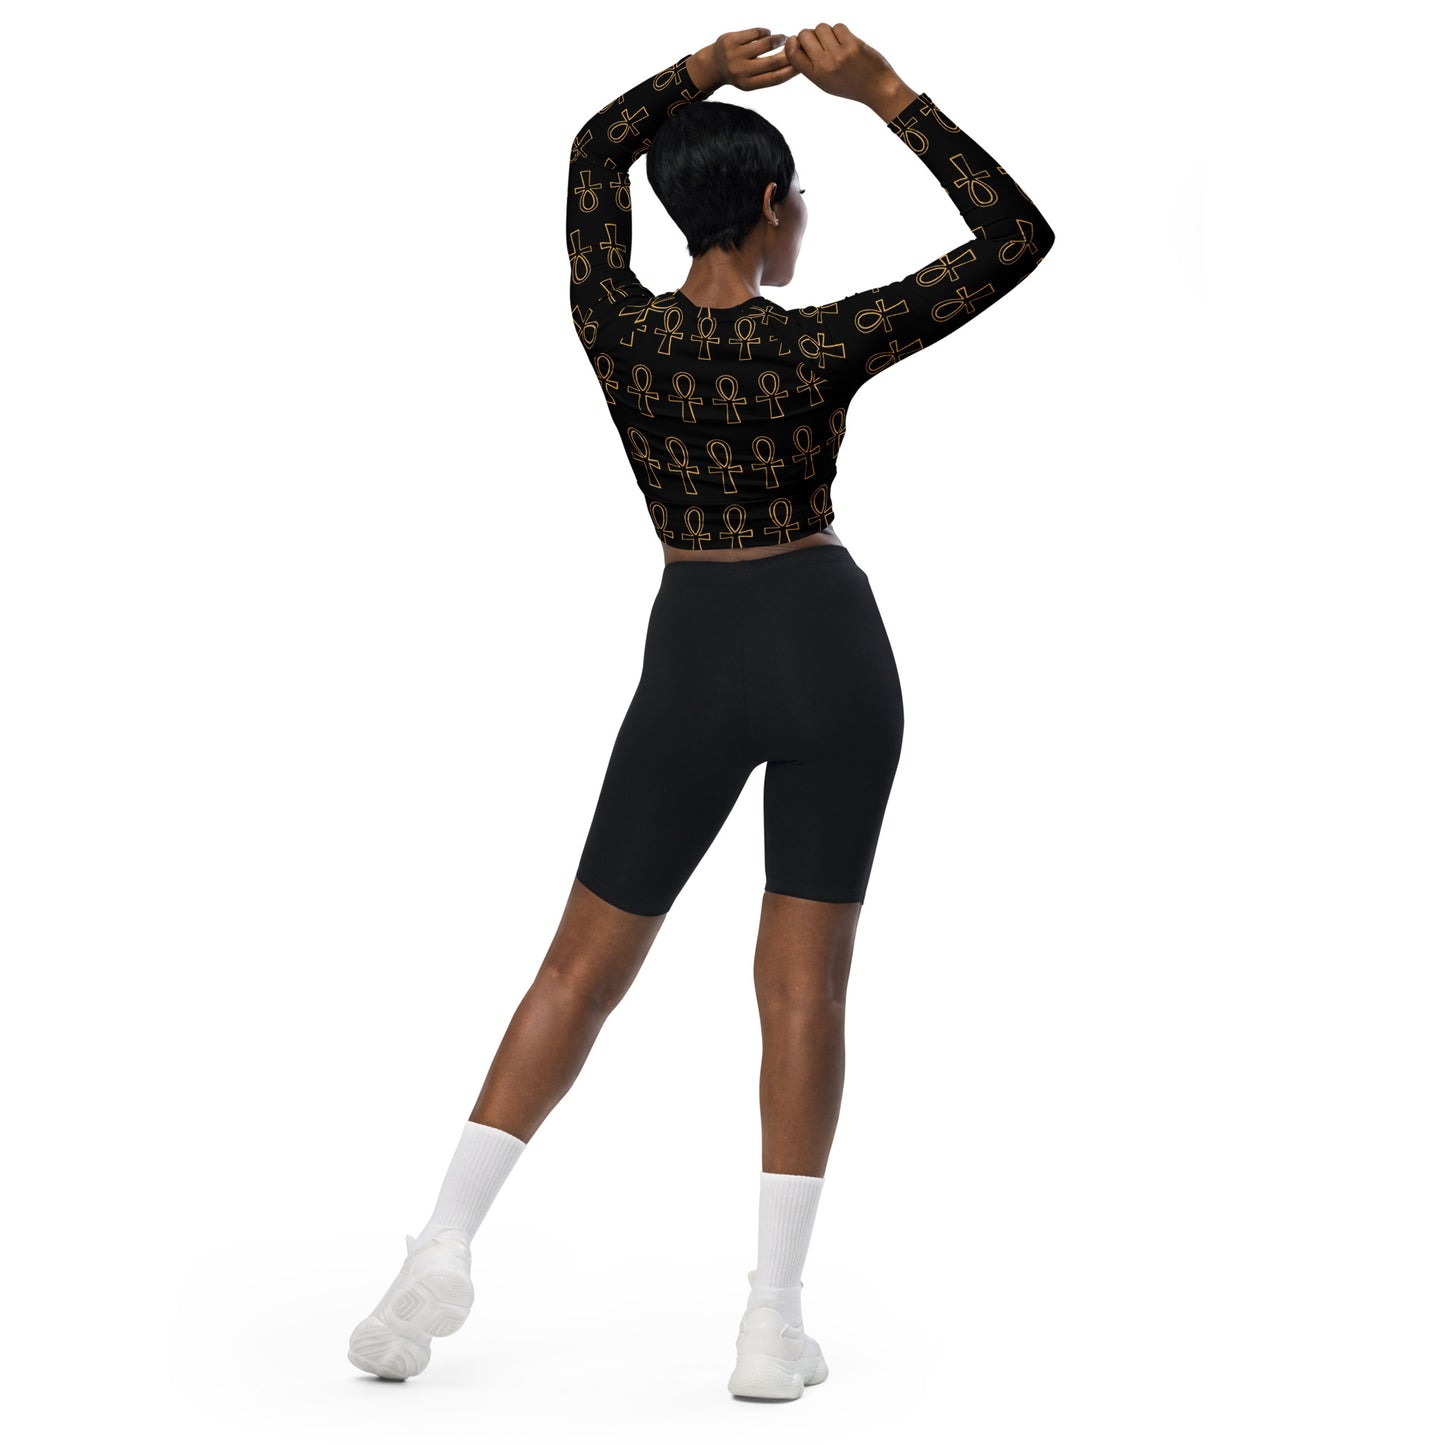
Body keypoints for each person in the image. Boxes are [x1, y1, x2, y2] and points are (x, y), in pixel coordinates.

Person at [347, 22, 1055, 1401]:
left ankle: (440, 1245)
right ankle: (770, 1323)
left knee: (576, 969)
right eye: (800, 204)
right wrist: (883, 94)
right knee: (801, 986)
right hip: (828, 649)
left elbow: (589, 153)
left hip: (691, 654)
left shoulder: (616, 328)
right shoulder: (822, 345)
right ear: (773, 206)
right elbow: (1014, 238)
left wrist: (699, 74)